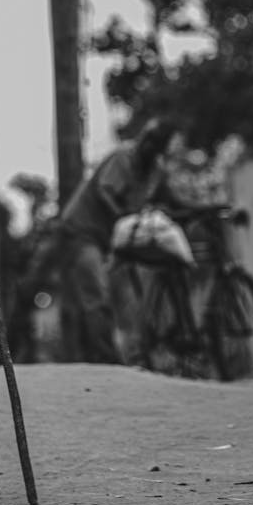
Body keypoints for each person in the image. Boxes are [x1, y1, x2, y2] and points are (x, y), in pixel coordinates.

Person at [57, 117, 181, 364]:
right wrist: (125, 217)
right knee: (96, 295)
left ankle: (142, 352)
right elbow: (105, 192)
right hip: (82, 232)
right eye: (147, 141)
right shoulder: (122, 158)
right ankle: (107, 361)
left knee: (131, 295)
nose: (148, 148)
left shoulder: (156, 171)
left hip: (112, 238)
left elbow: (172, 201)